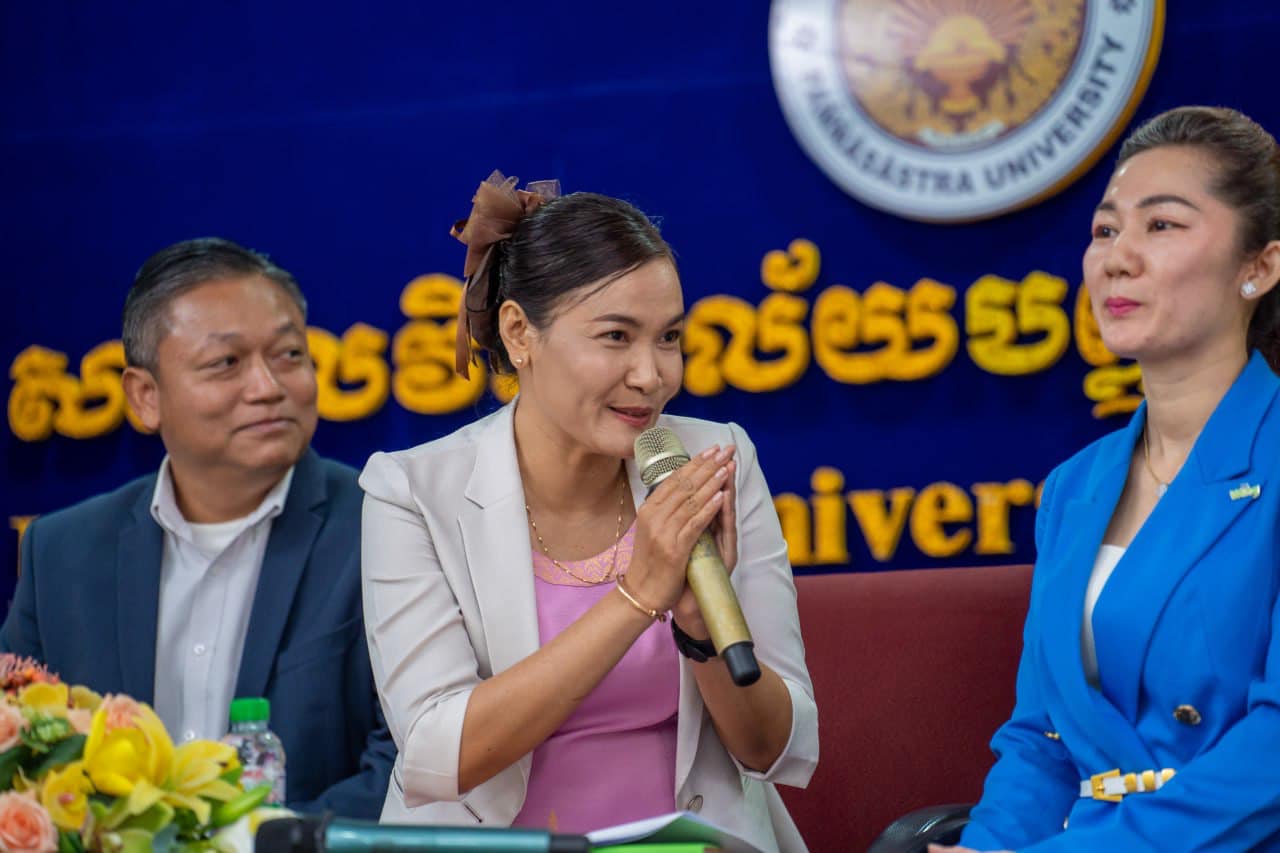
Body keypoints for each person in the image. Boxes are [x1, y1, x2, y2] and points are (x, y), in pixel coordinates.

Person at [360, 173, 818, 850]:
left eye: (669, 338)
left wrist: (700, 633)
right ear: (520, 332)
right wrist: (638, 595)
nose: (651, 376)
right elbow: (438, 754)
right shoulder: (412, 491)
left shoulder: (713, 460)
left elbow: (775, 750)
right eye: (615, 337)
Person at [936, 106, 1280, 852]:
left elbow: (1271, 756)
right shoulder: (1074, 487)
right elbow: (1042, 740)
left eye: (1161, 225)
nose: (1117, 258)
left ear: (1259, 266)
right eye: (1104, 230)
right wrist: (986, 846)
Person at [1, 238, 395, 818]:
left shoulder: (384, 526)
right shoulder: (61, 552)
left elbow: (412, 763)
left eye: (289, 354)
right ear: (145, 396)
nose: (267, 386)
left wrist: (240, 845)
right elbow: (20, 753)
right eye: (225, 363)